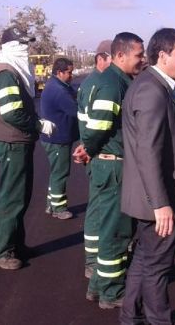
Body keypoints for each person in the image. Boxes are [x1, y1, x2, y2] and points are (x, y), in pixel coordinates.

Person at [119, 28, 175, 325]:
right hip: (156, 202)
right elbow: (148, 151)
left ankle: (129, 316)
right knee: (157, 269)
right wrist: (161, 204)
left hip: (150, 198)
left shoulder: (153, 85)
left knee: (144, 259)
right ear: (163, 55)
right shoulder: (152, 91)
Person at [81, 32, 145, 309]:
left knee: (109, 228)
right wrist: (91, 149)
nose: (142, 59)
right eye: (138, 55)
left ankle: (98, 286)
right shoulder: (112, 85)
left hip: (109, 162)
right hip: (113, 165)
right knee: (115, 231)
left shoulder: (118, 81)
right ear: (120, 55)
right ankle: (111, 292)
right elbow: (97, 128)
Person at [0, 26, 56, 270]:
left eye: (27, 44)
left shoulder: (16, 70)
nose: (25, 49)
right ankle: (2, 251)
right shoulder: (6, 72)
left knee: (22, 195)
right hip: (11, 142)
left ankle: (16, 244)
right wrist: (38, 124)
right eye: (21, 44)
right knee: (12, 197)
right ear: (8, 47)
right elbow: (12, 113)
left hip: (19, 141)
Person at [75, 39, 113, 278]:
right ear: (101, 58)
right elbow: (98, 126)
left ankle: (95, 258)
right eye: (115, 58)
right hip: (97, 155)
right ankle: (92, 260)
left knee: (99, 206)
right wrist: (88, 149)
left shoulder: (94, 83)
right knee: (98, 208)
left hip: (93, 151)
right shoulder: (98, 84)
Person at [40, 57, 79, 220]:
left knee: (57, 171)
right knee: (60, 173)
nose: (72, 76)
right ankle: (58, 208)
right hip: (57, 139)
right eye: (69, 73)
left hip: (57, 138)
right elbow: (76, 110)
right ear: (59, 72)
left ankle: (51, 204)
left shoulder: (58, 85)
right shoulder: (59, 91)